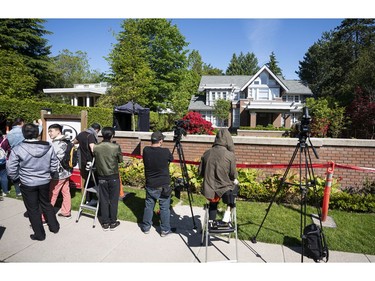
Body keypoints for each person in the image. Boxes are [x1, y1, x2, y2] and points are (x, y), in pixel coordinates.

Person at [6, 123, 60, 241]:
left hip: (27, 183)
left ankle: (40, 235)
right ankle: (54, 227)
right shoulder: (48, 146)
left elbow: (11, 168)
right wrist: (50, 173)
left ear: (24, 134)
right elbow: (54, 163)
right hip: (44, 181)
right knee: (46, 203)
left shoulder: (18, 148)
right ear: (37, 133)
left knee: (33, 209)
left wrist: (16, 178)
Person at [198, 128, 238, 221]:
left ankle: (210, 224)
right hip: (225, 190)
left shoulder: (206, 153)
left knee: (213, 204)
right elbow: (233, 175)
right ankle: (227, 214)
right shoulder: (230, 155)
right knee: (234, 189)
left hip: (210, 189)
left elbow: (200, 172)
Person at [141, 131, 174, 237]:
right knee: (164, 207)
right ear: (160, 141)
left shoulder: (146, 150)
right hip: (163, 185)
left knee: (149, 206)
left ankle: (146, 227)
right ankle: (165, 230)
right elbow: (171, 159)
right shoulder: (165, 151)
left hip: (150, 184)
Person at [93, 127, 123, 231]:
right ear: (112, 135)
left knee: (104, 200)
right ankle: (113, 222)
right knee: (113, 200)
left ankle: (105, 223)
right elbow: (120, 160)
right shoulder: (115, 147)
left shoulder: (96, 147)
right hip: (113, 176)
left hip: (101, 176)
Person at [6, 117, 43, 196]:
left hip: (14, 153)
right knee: (26, 172)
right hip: (25, 152)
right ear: (22, 122)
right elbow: (37, 132)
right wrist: (40, 124)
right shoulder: (23, 131)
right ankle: (28, 189)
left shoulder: (9, 133)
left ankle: (18, 191)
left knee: (16, 172)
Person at [47, 123, 72, 219]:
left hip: (58, 174)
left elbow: (51, 160)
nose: (49, 133)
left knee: (52, 194)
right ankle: (66, 212)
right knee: (66, 192)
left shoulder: (56, 144)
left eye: (51, 131)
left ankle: (45, 217)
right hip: (67, 171)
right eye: (49, 131)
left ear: (58, 131)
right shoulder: (67, 141)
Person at [73, 123, 101, 204]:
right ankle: (91, 199)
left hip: (82, 161)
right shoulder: (91, 135)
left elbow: (74, 142)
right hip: (90, 162)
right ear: (97, 130)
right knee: (93, 180)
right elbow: (92, 148)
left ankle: (88, 199)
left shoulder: (82, 134)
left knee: (87, 179)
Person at [0, 130, 11, 196]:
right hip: (2, 161)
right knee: (3, 175)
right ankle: (5, 191)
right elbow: (9, 150)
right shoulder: (5, 141)